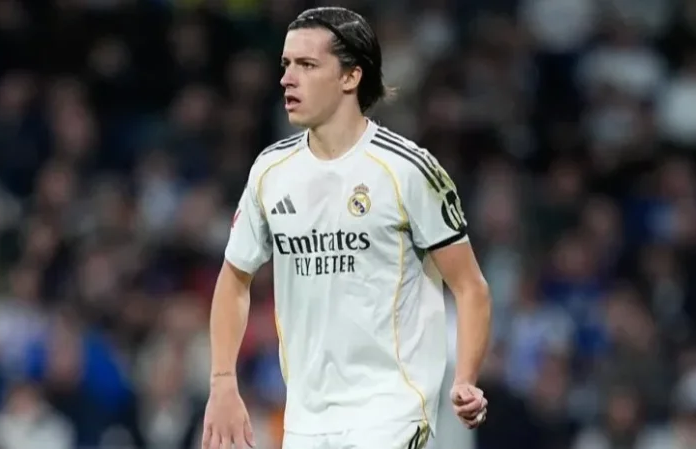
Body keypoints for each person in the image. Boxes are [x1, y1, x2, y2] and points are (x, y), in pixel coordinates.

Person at [202, 6, 492, 449]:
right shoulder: (270, 171)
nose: (287, 78)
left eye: (307, 65)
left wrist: (465, 379)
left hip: (392, 414)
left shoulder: (407, 170)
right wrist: (223, 381)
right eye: (286, 64)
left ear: (351, 76)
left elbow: (470, 287)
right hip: (305, 421)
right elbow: (234, 278)